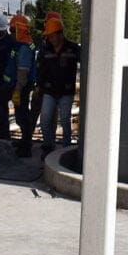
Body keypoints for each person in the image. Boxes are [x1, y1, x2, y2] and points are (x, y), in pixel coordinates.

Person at [36, 16, 82, 159]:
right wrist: (39, 87)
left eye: (52, 36)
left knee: (65, 121)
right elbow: (41, 70)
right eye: (49, 37)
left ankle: (66, 150)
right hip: (49, 91)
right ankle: (48, 146)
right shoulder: (45, 50)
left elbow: (87, 63)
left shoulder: (73, 49)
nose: (50, 39)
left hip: (66, 92)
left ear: (60, 33)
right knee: (44, 120)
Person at [7, 13, 37, 157]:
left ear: (20, 30)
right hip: (22, 85)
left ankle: (26, 147)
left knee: (22, 116)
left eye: (12, 30)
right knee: (22, 115)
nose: (10, 33)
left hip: (22, 86)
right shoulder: (22, 44)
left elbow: (23, 72)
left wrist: (18, 90)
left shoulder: (24, 48)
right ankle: (25, 143)